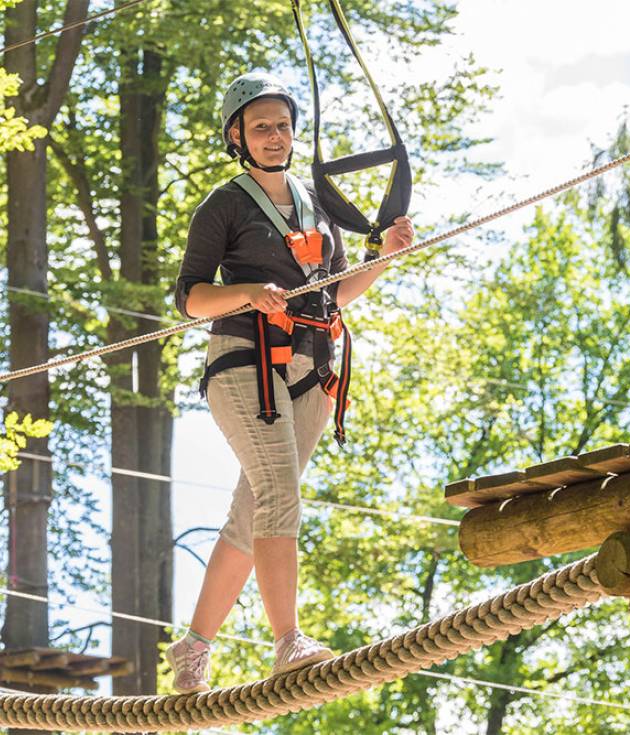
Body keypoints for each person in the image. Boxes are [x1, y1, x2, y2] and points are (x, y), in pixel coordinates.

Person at [165, 71, 414, 693]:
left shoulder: (317, 206)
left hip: (310, 371)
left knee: (251, 513)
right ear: (237, 137)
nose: (275, 136)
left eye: (282, 125)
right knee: (280, 494)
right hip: (247, 364)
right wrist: (249, 291)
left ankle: (192, 647)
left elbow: (334, 295)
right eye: (260, 127)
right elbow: (189, 297)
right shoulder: (224, 204)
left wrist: (383, 257)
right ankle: (288, 642)